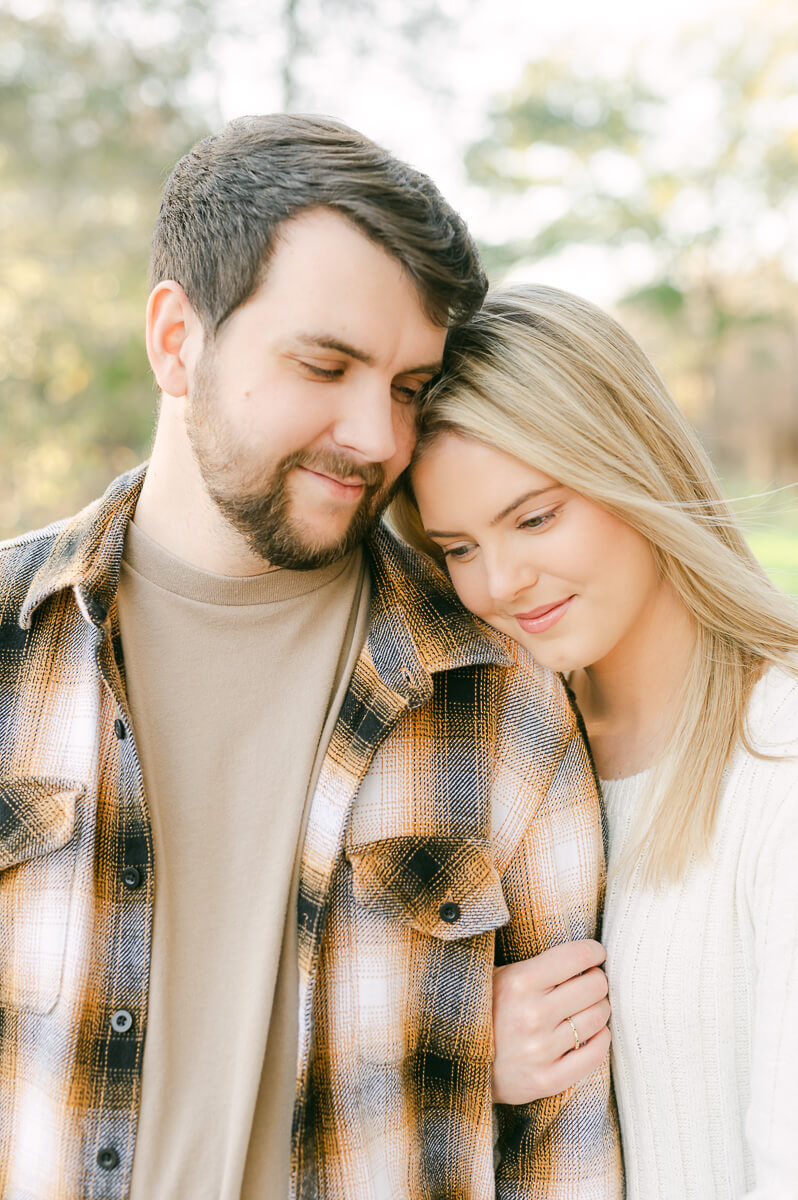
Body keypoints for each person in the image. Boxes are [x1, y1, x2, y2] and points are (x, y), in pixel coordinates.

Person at [0, 118, 621, 1199]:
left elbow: (563, 1157)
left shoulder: (501, 695)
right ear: (175, 340)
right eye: (325, 365)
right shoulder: (12, 649)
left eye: (406, 386)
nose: (377, 437)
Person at [395, 282, 798, 1199]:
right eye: (458, 547)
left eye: (535, 517)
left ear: (635, 468)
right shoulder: (504, 767)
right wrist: (467, 1058)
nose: (501, 581)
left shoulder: (781, 757)